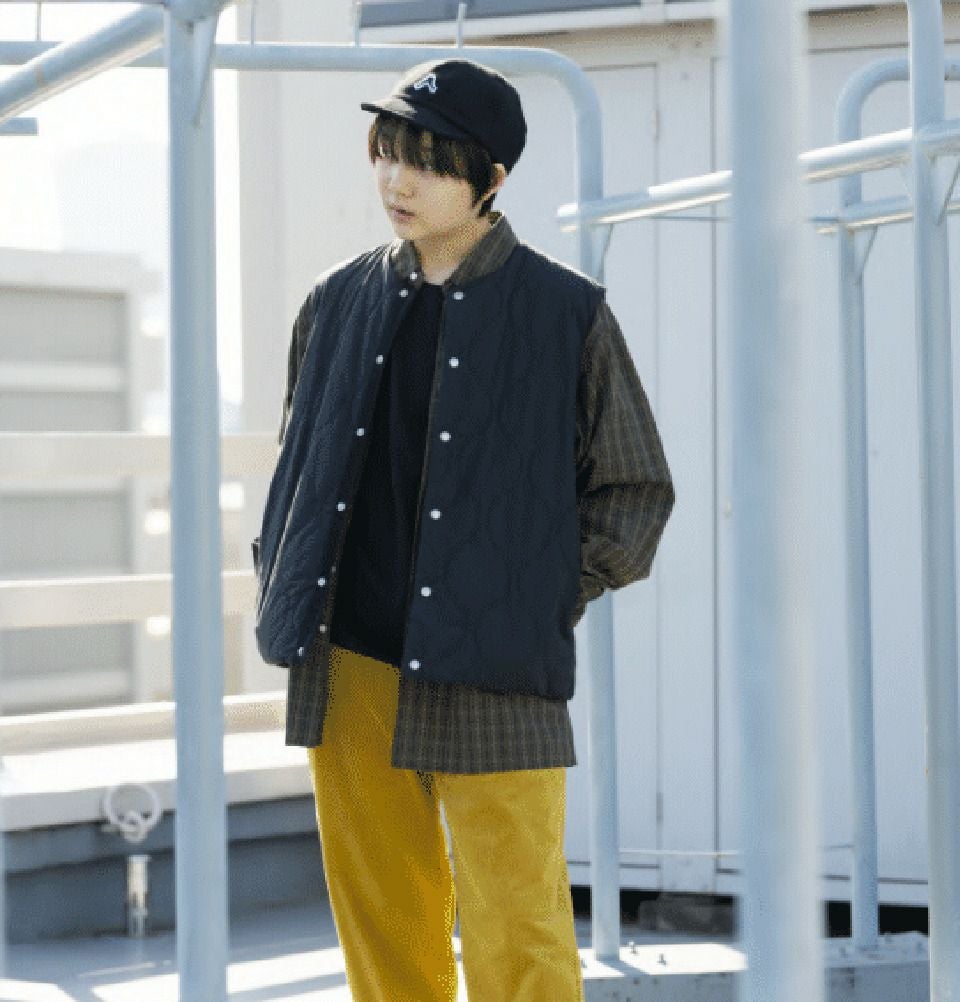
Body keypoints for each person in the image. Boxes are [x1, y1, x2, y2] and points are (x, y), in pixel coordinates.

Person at [252, 58, 674, 1002]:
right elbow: (297, 466)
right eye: (387, 154)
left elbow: (634, 491)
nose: (397, 182)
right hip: (349, 661)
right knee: (383, 928)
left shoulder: (565, 313)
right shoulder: (336, 299)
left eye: (428, 163)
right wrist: (280, 572)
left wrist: (533, 593)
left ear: (492, 179)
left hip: (495, 670)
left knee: (518, 931)